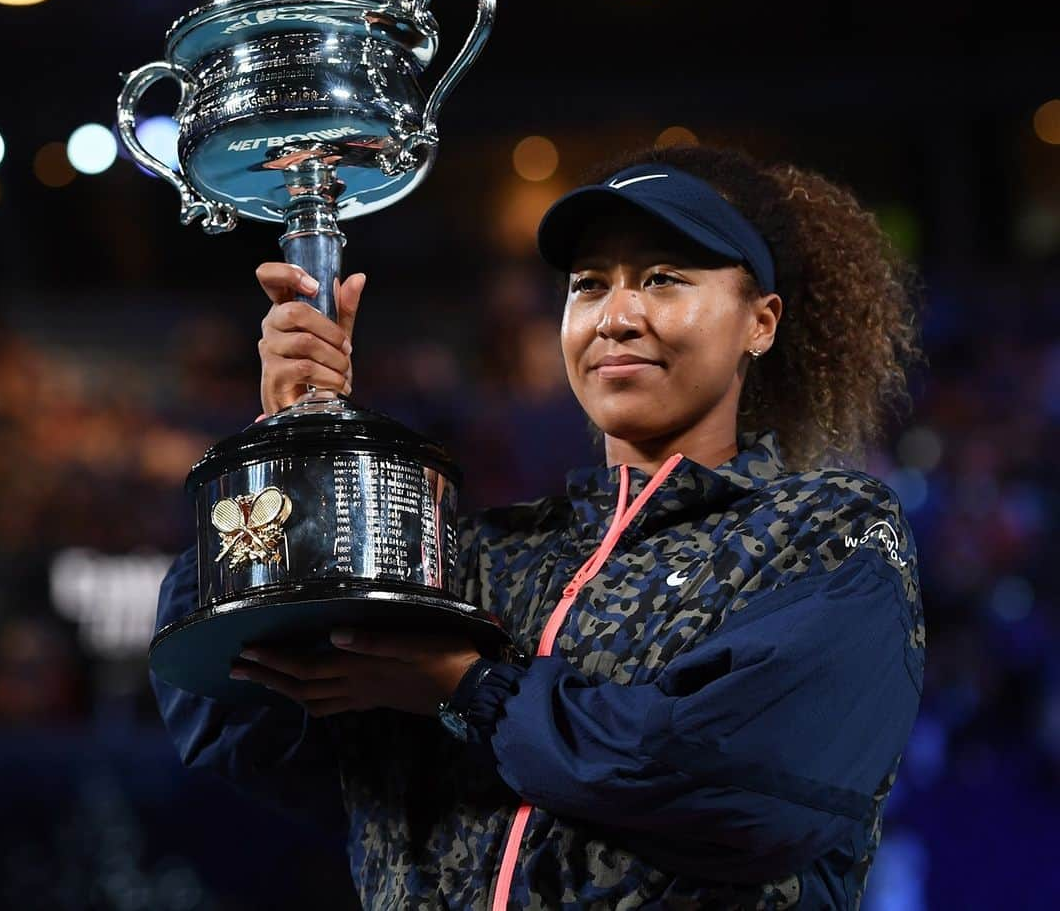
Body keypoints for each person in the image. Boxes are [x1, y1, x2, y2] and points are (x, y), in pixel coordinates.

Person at [151, 144, 926, 910]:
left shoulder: (828, 531)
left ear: (760, 321)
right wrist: (295, 448)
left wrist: (471, 688)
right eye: (590, 285)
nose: (617, 316)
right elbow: (233, 720)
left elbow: (750, 783)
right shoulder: (484, 558)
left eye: (663, 278)